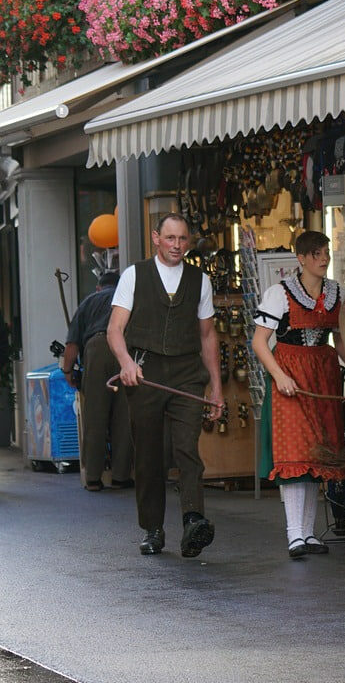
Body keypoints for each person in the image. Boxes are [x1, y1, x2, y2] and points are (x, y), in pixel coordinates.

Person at [107, 213, 223, 557]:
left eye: (183, 239)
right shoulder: (134, 275)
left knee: (188, 447)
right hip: (145, 370)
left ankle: (193, 520)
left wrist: (216, 387)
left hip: (187, 370)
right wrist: (127, 363)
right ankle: (153, 528)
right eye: (170, 238)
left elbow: (207, 336)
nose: (177, 245)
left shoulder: (200, 280)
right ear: (156, 238)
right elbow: (115, 329)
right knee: (150, 453)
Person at [251, 231, 345, 559]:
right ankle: (295, 534)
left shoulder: (335, 292)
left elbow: (341, 341)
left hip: (323, 375)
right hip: (291, 374)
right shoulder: (279, 294)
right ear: (302, 258)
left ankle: (307, 534)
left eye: (325, 253)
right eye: (317, 254)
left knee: (315, 455)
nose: (324, 259)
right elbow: (259, 342)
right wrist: (279, 375)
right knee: (294, 452)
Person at [61, 270, 133, 491]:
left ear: (98, 287)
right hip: (124, 349)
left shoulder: (88, 302)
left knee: (95, 415)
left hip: (97, 348)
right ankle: (120, 476)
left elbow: (72, 345)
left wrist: (67, 371)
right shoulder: (127, 299)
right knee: (124, 416)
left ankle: (93, 478)